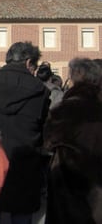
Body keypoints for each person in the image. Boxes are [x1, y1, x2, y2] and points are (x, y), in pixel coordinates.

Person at [0, 41, 50, 224]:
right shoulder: (41, 90)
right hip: (26, 161)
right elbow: (43, 126)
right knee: (22, 216)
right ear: (29, 63)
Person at [44, 57, 102, 223]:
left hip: (68, 182)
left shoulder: (65, 108)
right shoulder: (97, 105)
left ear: (76, 77)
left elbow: (48, 142)